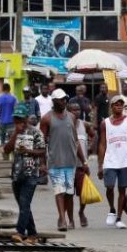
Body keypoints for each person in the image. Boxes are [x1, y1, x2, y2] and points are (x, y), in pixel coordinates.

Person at [40, 89, 88, 232]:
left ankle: (70, 218)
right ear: (54, 101)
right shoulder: (47, 119)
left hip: (71, 161)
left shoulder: (71, 117)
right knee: (59, 191)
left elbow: (76, 141)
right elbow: (42, 143)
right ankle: (62, 218)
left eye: (65, 99)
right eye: (61, 100)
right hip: (55, 161)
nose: (64, 101)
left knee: (69, 193)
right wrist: (42, 163)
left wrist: (84, 161)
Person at [4, 103, 47, 245]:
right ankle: (33, 235)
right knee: (24, 206)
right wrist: (16, 133)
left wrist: (28, 152)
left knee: (24, 203)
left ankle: (20, 232)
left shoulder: (36, 132)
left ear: (27, 118)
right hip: (16, 174)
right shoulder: (11, 131)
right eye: (16, 119)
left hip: (31, 174)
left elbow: (42, 151)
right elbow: (6, 150)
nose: (18, 122)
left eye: (21, 119)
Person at [98, 95, 127, 229]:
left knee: (122, 189)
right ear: (112, 107)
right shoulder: (105, 123)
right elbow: (102, 144)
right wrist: (100, 164)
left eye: (121, 104)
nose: (119, 106)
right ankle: (112, 209)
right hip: (110, 160)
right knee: (109, 187)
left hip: (125, 161)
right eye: (116, 104)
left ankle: (119, 217)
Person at [69, 102, 95, 227]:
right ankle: (70, 219)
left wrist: (90, 147)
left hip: (81, 166)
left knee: (82, 194)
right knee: (67, 194)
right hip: (67, 165)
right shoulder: (65, 125)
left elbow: (94, 135)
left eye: (78, 109)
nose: (76, 112)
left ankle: (81, 212)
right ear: (68, 111)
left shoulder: (84, 124)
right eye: (73, 110)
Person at [92, 84, 110, 152]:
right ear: (100, 89)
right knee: (100, 136)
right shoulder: (98, 97)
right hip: (100, 120)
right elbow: (95, 110)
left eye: (105, 87)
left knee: (106, 136)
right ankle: (99, 151)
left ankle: (105, 150)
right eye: (102, 87)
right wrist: (95, 122)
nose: (103, 89)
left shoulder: (107, 97)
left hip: (106, 120)